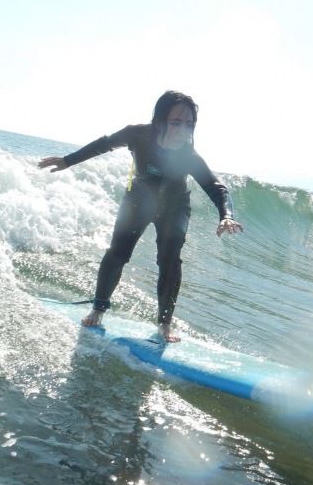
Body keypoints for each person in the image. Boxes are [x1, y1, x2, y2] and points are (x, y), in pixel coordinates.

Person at [38, 91, 243, 342]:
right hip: (138, 199)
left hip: (174, 206)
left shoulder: (188, 156)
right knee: (118, 252)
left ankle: (164, 324)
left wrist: (227, 215)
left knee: (170, 260)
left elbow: (216, 187)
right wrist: (68, 160)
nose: (183, 130)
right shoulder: (138, 134)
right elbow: (104, 144)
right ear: (159, 120)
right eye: (176, 122)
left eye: (189, 124)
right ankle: (98, 308)